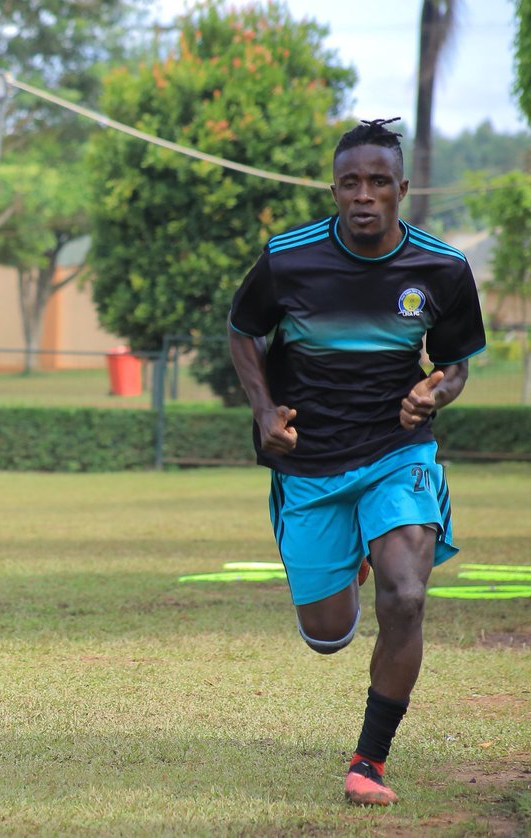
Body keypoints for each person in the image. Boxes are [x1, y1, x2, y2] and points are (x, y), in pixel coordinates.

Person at [227, 118, 486, 806]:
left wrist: (434, 392)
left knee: (405, 596)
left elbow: (456, 363)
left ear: (402, 188)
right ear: (334, 189)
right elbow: (243, 330)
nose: (364, 195)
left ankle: (368, 761)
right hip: (309, 465)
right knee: (328, 636)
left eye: (378, 182)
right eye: (350, 182)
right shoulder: (289, 258)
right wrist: (263, 411)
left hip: (395, 453)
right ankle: (351, 553)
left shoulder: (442, 269)